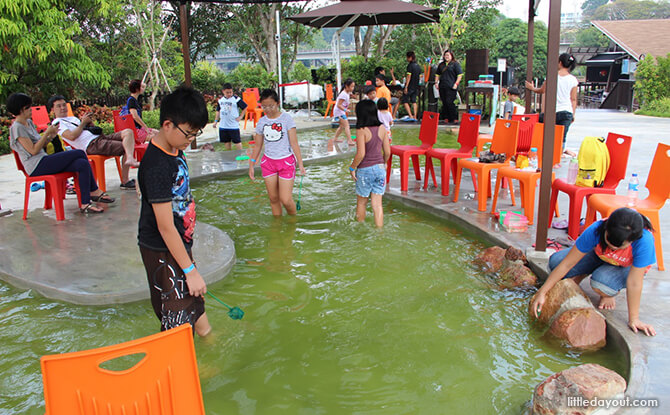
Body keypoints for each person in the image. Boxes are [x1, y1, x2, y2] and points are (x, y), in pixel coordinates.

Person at [137, 86, 211, 336]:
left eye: (195, 134)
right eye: (188, 134)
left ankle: (208, 338)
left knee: (194, 299)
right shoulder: (157, 164)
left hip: (178, 244)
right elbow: (165, 226)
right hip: (162, 250)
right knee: (176, 319)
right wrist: (189, 270)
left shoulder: (174, 149)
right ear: (167, 125)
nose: (191, 140)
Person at [530, 208, 657, 336]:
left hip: (624, 266)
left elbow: (634, 282)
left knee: (602, 284)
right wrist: (542, 292)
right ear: (606, 229)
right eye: (609, 241)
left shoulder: (644, 241)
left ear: (631, 241)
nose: (613, 248)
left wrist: (634, 319)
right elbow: (567, 264)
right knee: (556, 262)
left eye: (619, 247)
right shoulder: (596, 229)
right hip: (599, 255)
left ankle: (609, 291)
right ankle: (585, 273)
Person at [7, 93, 114, 214]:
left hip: (44, 159)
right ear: (21, 110)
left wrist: (50, 137)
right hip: (36, 165)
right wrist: (47, 133)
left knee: (81, 164)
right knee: (78, 153)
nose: (31, 110)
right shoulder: (17, 128)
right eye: (28, 108)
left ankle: (85, 204)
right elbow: (33, 150)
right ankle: (94, 190)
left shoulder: (29, 123)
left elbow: (41, 145)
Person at [49, 95, 139, 190]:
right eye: (59, 106)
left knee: (128, 132)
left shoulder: (73, 119)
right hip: (91, 145)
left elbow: (85, 130)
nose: (63, 108)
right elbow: (71, 136)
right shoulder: (57, 123)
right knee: (126, 147)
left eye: (64, 105)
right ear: (52, 109)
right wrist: (83, 123)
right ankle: (125, 181)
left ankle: (129, 158)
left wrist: (89, 123)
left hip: (100, 138)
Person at [248, 89, 306, 217]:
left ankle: (292, 221)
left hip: (286, 161)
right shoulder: (262, 122)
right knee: (273, 199)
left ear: (278, 103)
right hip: (268, 162)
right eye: (264, 106)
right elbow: (258, 145)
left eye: (271, 105)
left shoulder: (287, 119)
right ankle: (278, 226)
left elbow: (294, 143)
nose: (268, 109)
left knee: (285, 199)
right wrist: (252, 164)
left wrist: (300, 163)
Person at [525, 53, 579, 156]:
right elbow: (573, 99)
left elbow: (542, 90)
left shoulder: (551, 76)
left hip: (552, 112)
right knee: (561, 137)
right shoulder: (573, 80)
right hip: (567, 112)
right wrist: (573, 114)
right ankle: (557, 157)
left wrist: (532, 88)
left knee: (547, 133)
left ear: (560, 63)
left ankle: (545, 154)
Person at [349, 99, 391, 228]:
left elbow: (361, 154)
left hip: (365, 170)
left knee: (362, 203)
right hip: (380, 169)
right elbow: (388, 151)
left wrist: (352, 167)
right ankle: (380, 231)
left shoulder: (361, 130)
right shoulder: (383, 128)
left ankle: (360, 229)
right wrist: (384, 163)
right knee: (377, 204)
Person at [213, 83, 247, 150]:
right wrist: (216, 121)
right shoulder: (221, 100)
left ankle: (240, 155)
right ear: (223, 91)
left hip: (233, 126)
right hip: (223, 125)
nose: (229, 94)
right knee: (226, 141)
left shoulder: (236, 99)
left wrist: (241, 116)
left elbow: (245, 107)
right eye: (227, 92)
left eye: (230, 92)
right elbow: (218, 111)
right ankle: (228, 156)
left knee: (237, 141)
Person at [435, 50, 463, 125]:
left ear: (451, 56)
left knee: (449, 102)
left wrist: (456, 83)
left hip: (451, 86)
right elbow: (437, 74)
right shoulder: (441, 65)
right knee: (444, 102)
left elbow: (459, 75)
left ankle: (453, 117)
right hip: (442, 86)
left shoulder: (455, 64)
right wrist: (436, 82)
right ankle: (446, 117)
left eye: (448, 55)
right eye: (445, 55)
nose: (446, 57)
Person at [333, 79, 355, 146]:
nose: (353, 88)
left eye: (353, 86)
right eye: (351, 86)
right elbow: (338, 105)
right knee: (346, 125)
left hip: (340, 112)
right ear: (346, 86)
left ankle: (335, 138)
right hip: (339, 112)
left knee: (342, 126)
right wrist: (345, 110)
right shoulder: (343, 94)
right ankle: (349, 140)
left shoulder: (346, 93)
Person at [401, 51, 423, 121]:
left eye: (407, 57)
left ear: (410, 57)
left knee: (404, 100)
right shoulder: (418, 66)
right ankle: (415, 116)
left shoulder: (410, 66)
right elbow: (420, 77)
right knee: (414, 101)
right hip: (416, 86)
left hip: (410, 86)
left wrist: (406, 86)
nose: (407, 59)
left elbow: (408, 76)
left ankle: (410, 115)